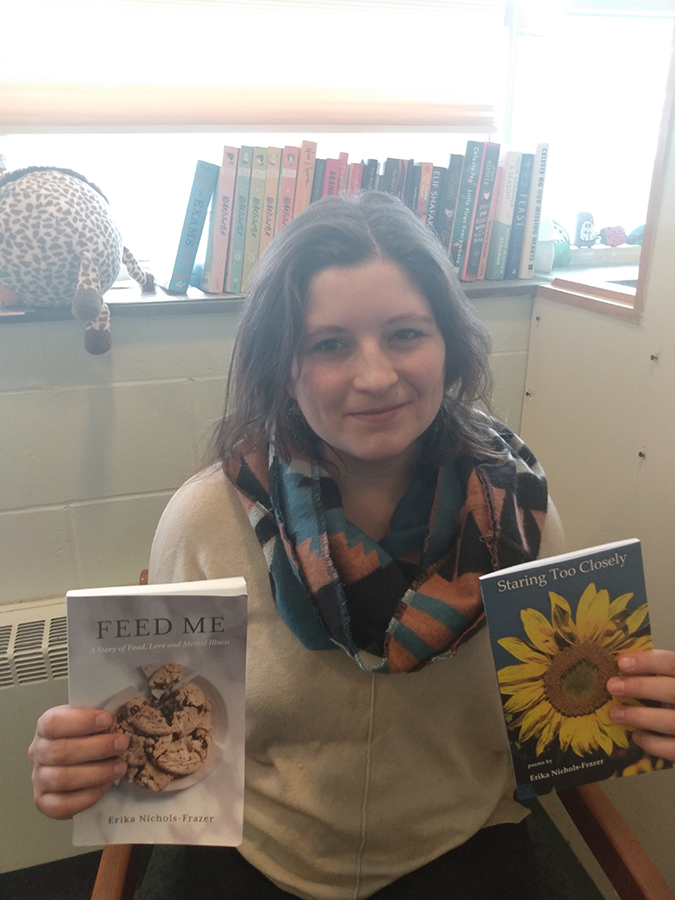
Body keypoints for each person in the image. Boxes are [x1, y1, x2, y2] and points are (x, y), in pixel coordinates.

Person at [30, 192, 675, 900]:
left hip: (461, 848)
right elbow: (165, 733)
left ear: (448, 344)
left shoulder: (519, 517)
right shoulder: (205, 521)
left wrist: (633, 708)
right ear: (284, 363)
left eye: (404, 334)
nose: (374, 376)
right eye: (329, 344)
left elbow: (551, 722)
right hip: (261, 856)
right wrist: (86, 757)